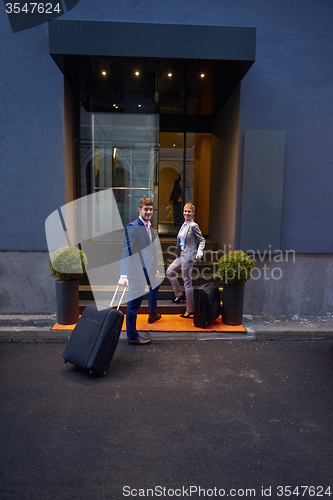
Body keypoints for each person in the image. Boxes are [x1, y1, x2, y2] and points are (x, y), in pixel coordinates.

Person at [118, 197, 161, 345]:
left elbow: (152, 251)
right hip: (136, 273)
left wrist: (154, 269)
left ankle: (153, 313)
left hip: (146, 271)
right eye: (145, 209)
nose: (148, 212)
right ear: (139, 209)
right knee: (133, 306)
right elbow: (126, 250)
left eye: (150, 209)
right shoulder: (133, 226)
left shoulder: (150, 227)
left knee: (156, 285)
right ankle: (132, 336)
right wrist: (123, 274)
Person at [166, 203, 205, 318]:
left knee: (187, 282)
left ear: (193, 213)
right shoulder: (184, 224)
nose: (186, 213)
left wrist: (200, 251)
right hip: (181, 255)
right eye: (185, 211)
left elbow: (202, 240)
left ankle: (190, 309)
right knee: (169, 271)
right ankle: (179, 294)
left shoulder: (193, 225)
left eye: (189, 211)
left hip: (189, 257)